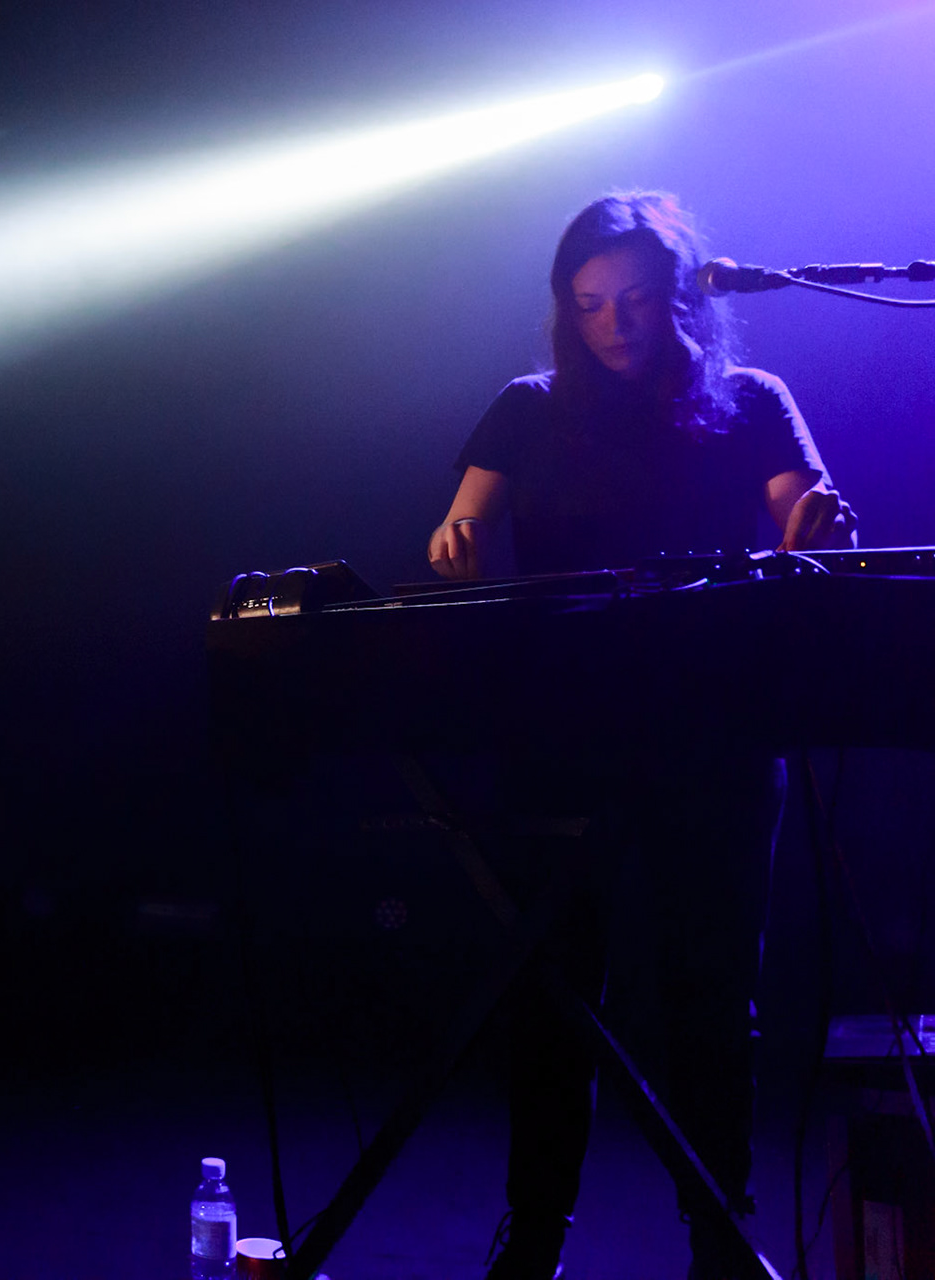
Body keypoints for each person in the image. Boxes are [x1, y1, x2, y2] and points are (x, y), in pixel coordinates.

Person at [425, 192, 854, 1280]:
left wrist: (818, 523)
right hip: (562, 734)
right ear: (566, 312)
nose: (613, 322)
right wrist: (455, 542)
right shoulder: (528, 408)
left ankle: (718, 1230)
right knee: (555, 987)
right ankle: (535, 1233)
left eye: (633, 300)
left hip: (714, 731)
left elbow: (806, 512)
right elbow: (460, 522)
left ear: (680, 298)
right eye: (590, 304)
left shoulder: (752, 399)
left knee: (713, 997)